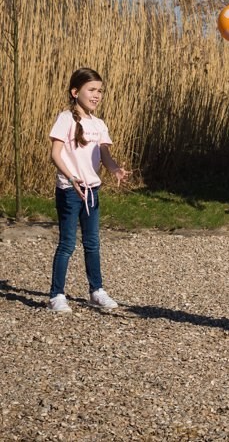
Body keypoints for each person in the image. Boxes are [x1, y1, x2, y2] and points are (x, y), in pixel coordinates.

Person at [48, 68, 130, 313]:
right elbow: (55, 154)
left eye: (100, 91)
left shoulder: (99, 124)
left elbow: (105, 154)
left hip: (92, 191)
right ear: (76, 92)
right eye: (92, 90)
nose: (97, 95)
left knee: (93, 243)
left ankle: (96, 291)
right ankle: (57, 295)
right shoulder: (65, 119)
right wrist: (71, 177)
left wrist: (115, 170)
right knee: (67, 244)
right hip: (70, 191)